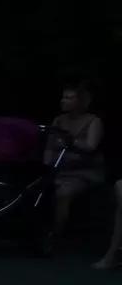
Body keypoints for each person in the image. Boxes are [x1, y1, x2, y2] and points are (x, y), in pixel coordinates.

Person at [45, 80, 105, 243]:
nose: (63, 100)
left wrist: (71, 141)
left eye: (69, 98)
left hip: (82, 171)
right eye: (63, 97)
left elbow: (91, 146)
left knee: (63, 193)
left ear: (80, 101)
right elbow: (49, 147)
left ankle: (55, 235)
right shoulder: (58, 120)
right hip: (58, 168)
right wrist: (47, 166)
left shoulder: (93, 120)